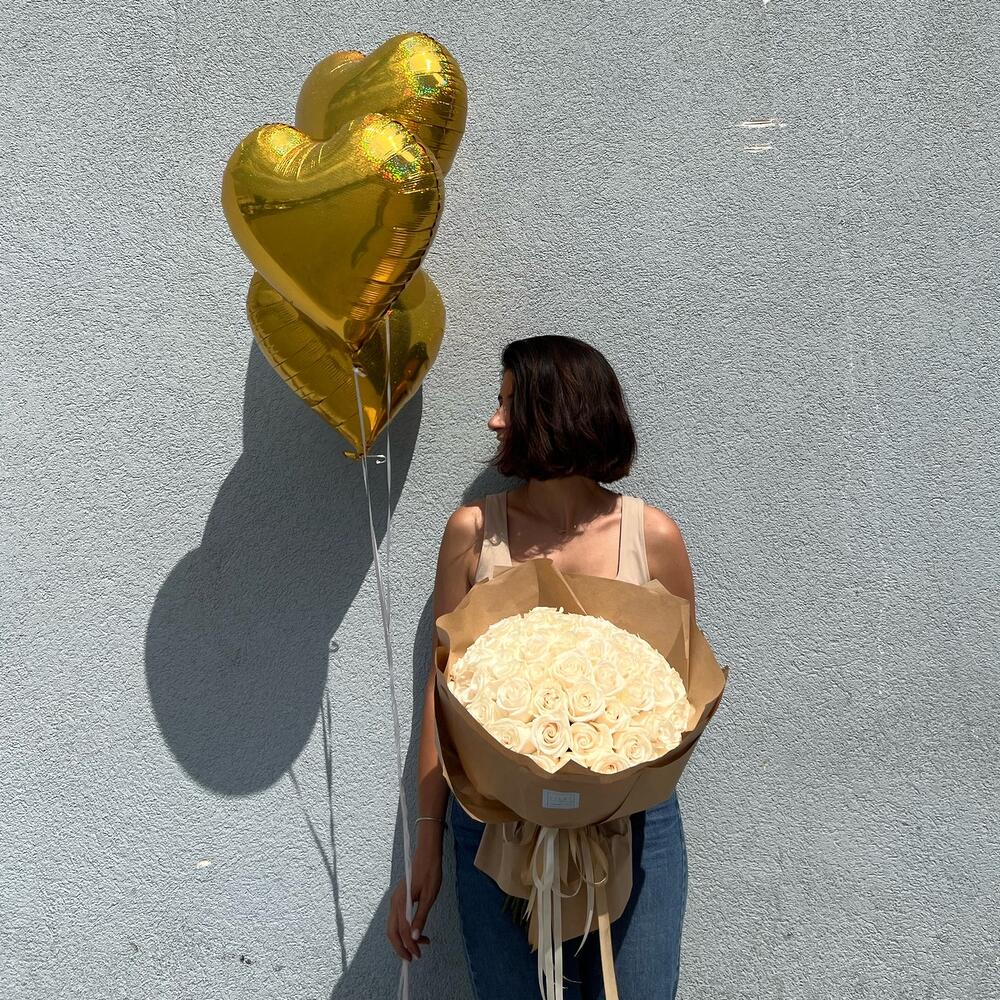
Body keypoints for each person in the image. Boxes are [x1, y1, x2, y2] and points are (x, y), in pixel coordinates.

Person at [386, 334, 699, 999]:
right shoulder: (474, 533)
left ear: (558, 411)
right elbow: (442, 698)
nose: (494, 420)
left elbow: (677, 700)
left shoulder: (654, 538)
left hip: (632, 831)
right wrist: (426, 838)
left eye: (508, 402)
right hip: (495, 830)